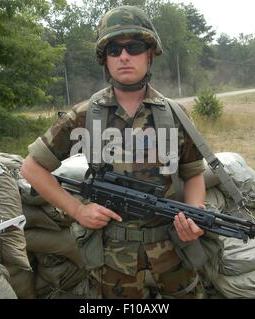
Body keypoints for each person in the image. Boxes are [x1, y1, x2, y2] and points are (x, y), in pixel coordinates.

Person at [21, 5, 221, 299]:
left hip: (173, 250)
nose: (124, 56)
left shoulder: (175, 114)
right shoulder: (85, 115)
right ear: (105, 59)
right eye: (114, 49)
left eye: (134, 47)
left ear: (149, 54)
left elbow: (192, 175)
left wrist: (194, 214)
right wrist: (78, 210)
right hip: (111, 258)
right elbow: (31, 168)